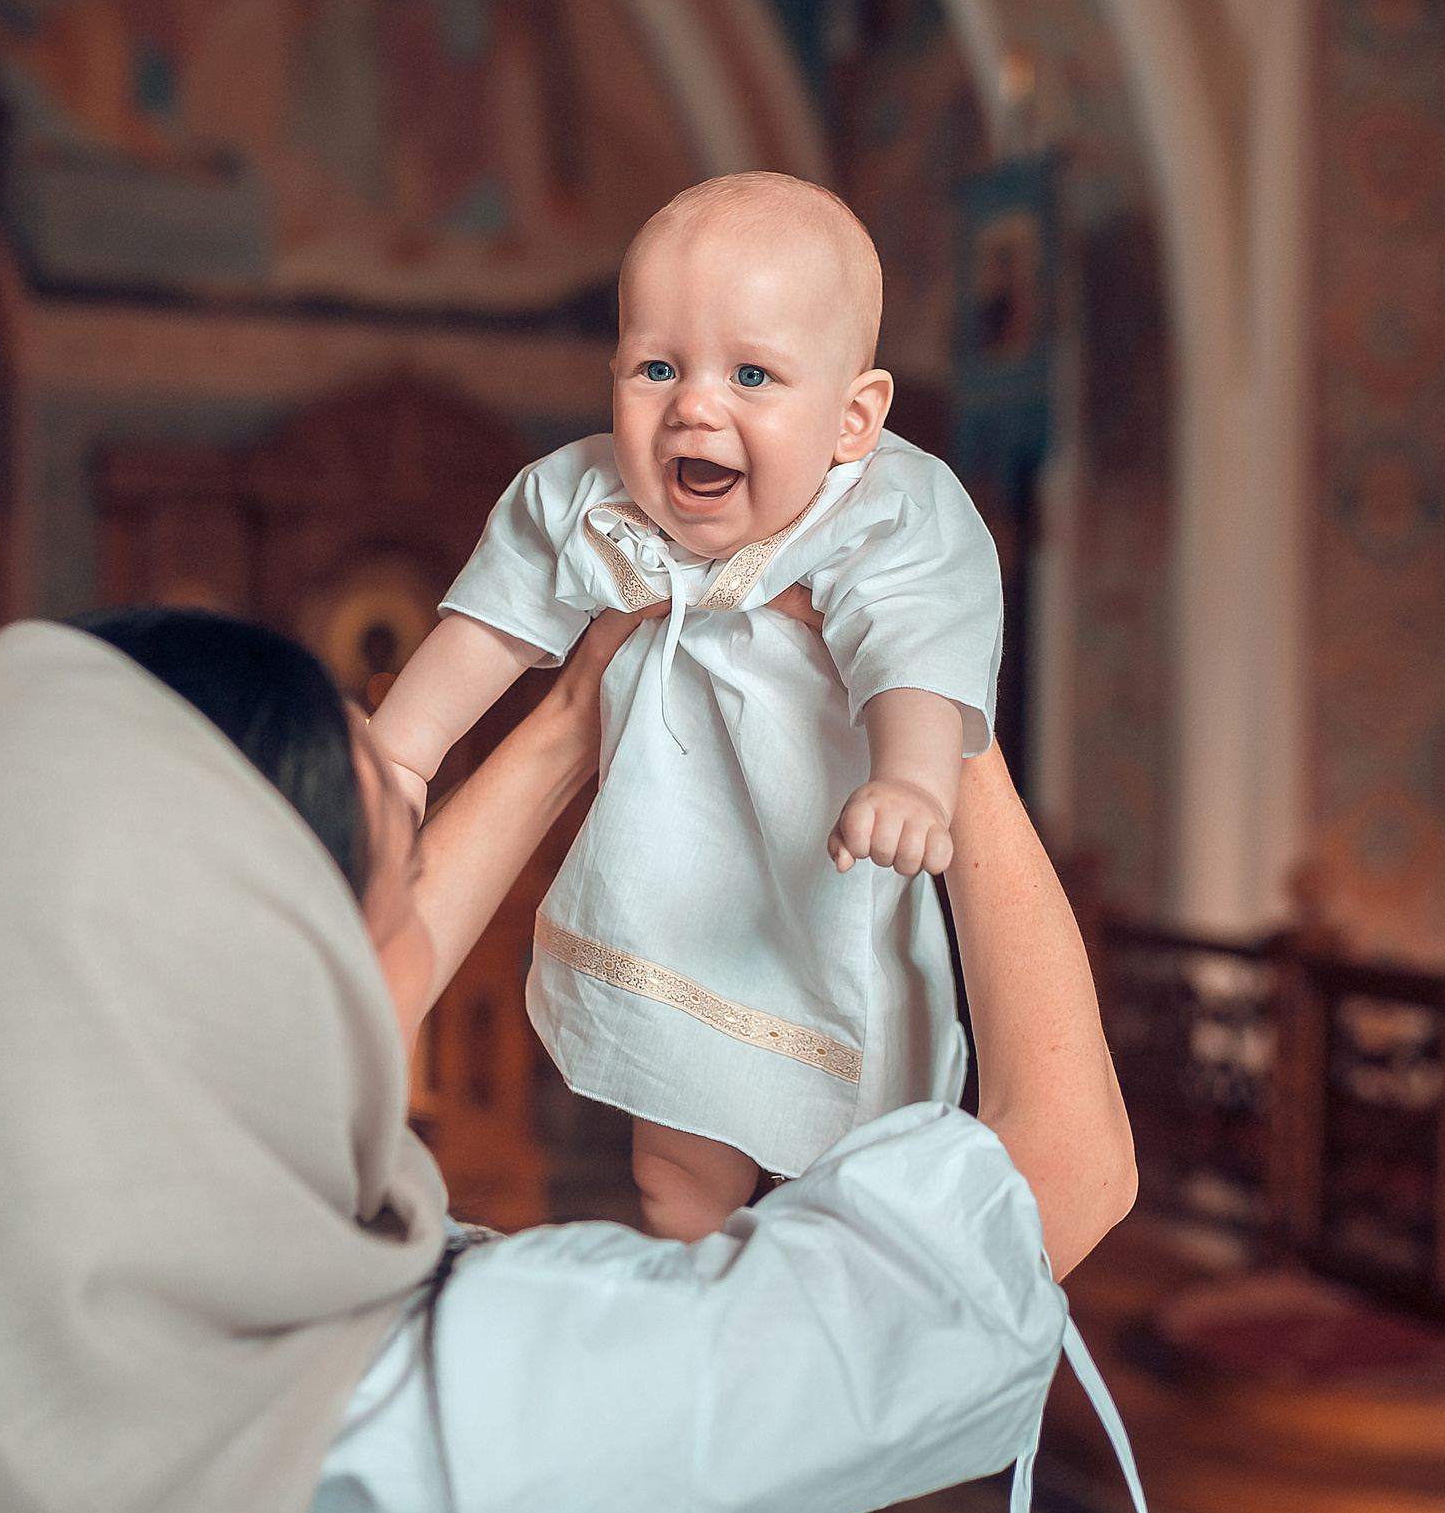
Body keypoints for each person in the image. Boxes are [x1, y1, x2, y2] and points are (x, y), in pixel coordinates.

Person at [0, 604, 1141, 1513]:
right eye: (399, 850)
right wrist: (942, 702)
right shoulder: (463, 1423)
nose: (417, 893)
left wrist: (568, 721)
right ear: (281, 960)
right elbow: (1060, 1173)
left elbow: (359, 982)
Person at [368, 172, 1003, 1240]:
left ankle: (807, 1336)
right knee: (672, 1165)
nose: (693, 405)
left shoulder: (890, 513)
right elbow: (492, 624)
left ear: (853, 418)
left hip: (829, 899)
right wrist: (401, 752)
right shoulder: (586, 499)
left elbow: (918, 646)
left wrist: (909, 775)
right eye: (657, 367)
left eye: (751, 373)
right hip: (672, 893)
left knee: (858, 1182)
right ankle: (689, 1282)